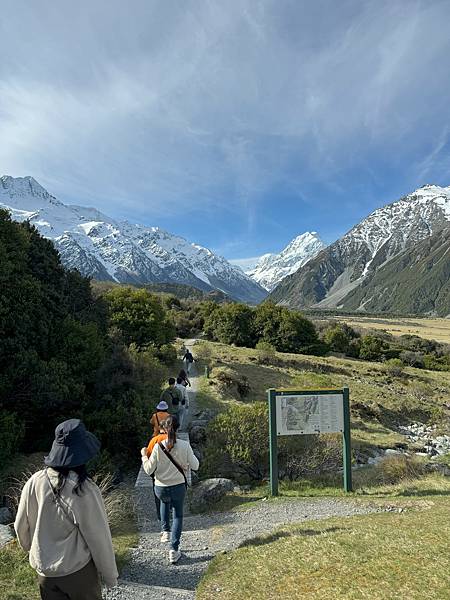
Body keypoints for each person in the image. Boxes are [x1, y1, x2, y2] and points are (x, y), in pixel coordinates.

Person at [14, 419, 118, 600]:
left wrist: (34, 550)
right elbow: (99, 538)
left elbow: (20, 525)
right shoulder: (83, 489)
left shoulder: (35, 481)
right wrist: (110, 576)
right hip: (77, 572)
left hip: (45, 573)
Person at [141, 415, 199, 564]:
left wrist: (143, 456)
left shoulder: (157, 447)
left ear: (164, 428)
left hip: (161, 487)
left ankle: (165, 531)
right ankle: (174, 549)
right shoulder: (185, 445)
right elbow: (196, 466)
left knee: (164, 503)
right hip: (178, 486)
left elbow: (148, 470)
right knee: (178, 515)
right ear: (178, 428)